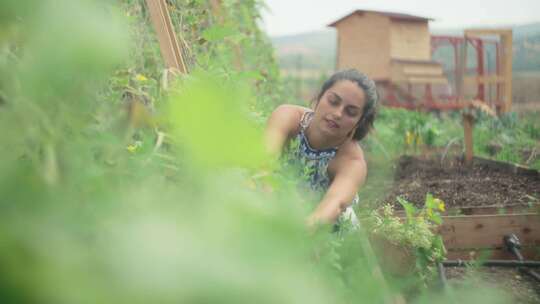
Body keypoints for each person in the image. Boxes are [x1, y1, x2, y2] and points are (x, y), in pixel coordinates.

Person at [265, 69, 378, 228]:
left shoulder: (352, 161)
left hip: (328, 232)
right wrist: (268, 210)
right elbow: (263, 164)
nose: (338, 113)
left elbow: (333, 204)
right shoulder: (288, 117)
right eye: (333, 101)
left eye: (350, 112)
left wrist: (298, 233)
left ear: (359, 121)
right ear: (320, 97)